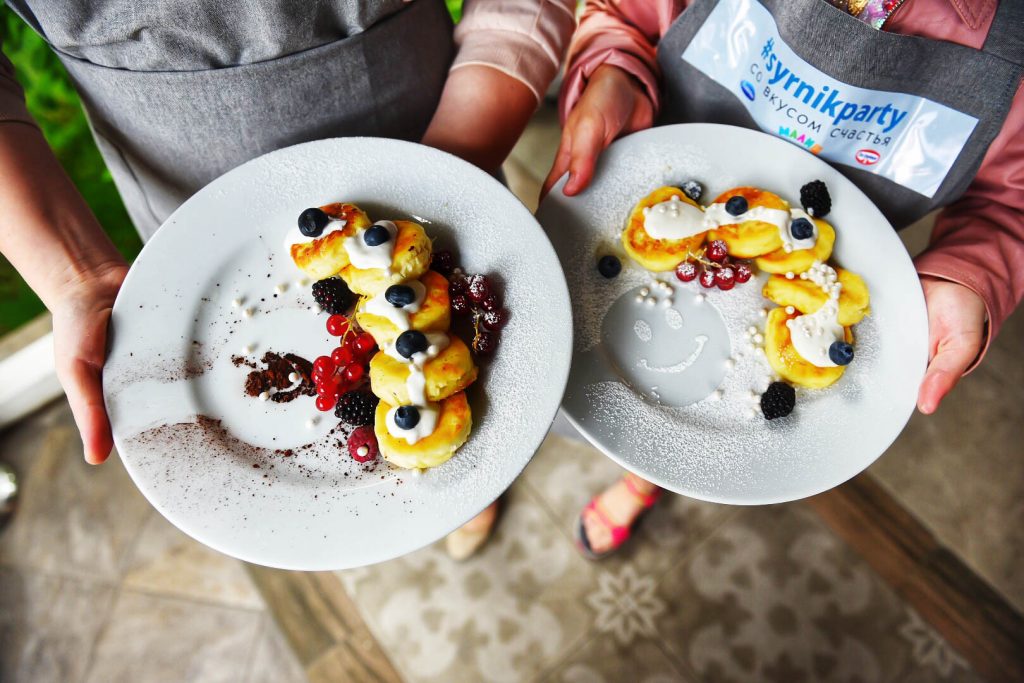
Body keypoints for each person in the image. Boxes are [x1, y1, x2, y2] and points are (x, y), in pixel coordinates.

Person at [0, 0, 575, 556]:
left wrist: (451, 166)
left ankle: (468, 496)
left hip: (447, 142)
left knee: (484, 415)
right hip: (183, 209)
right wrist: (77, 274)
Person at [542, 0, 1024, 558]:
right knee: (616, 387)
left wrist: (971, 275)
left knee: (705, 439)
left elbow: (1009, 200)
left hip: (827, 266)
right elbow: (622, 14)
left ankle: (646, 481)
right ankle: (641, 473)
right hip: (668, 182)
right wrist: (614, 71)